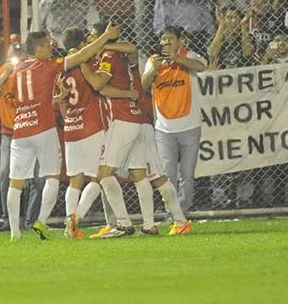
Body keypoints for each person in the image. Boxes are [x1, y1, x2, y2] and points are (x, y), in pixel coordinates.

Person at [4, 24, 122, 241]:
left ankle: (14, 233)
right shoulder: (49, 66)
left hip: (20, 131)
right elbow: (82, 56)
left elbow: (27, 98)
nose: (51, 48)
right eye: (48, 45)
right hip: (45, 129)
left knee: (15, 182)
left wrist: (56, 99)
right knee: (53, 178)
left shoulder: (17, 70)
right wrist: (105, 36)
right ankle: (41, 221)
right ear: (38, 49)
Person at [90, 22, 192, 238]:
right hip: (138, 118)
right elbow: (132, 54)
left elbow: (109, 79)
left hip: (136, 118)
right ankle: (151, 225)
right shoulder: (120, 55)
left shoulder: (114, 55)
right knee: (141, 174)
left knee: (149, 175)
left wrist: (104, 46)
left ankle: (129, 223)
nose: (91, 41)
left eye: (94, 37)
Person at [55, 26, 138, 239]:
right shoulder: (90, 61)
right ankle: (118, 221)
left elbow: (61, 101)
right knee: (101, 176)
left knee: (75, 179)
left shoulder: (60, 68)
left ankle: (70, 223)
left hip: (71, 128)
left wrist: (68, 120)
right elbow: (99, 84)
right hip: (92, 125)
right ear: (84, 44)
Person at [141, 26, 206, 216]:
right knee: (167, 176)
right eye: (163, 39)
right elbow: (143, 86)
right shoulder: (153, 61)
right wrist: (153, 70)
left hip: (190, 126)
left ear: (180, 41)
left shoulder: (189, 55)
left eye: (170, 39)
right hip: (164, 129)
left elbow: (202, 67)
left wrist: (178, 59)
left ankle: (182, 211)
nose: (166, 42)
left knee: (187, 175)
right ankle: (173, 214)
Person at [0, 34, 42, 232]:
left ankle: (31, 221)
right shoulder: (2, 72)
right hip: (10, 133)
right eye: (14, 57)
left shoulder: (34, 73)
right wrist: (4, 76)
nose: (18, 60)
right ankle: (7, 218)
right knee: (4, 172)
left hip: (33, 131)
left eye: (22, 56)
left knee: (38, 179)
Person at [207, 5, 244, 70]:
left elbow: (248, 54)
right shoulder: (214, 38)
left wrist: (244, 25)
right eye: (229, 17)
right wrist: (221, 25)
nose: (234, 21)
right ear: (222, 19)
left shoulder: (244, 38)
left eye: (237, 18)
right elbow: (212, 54)